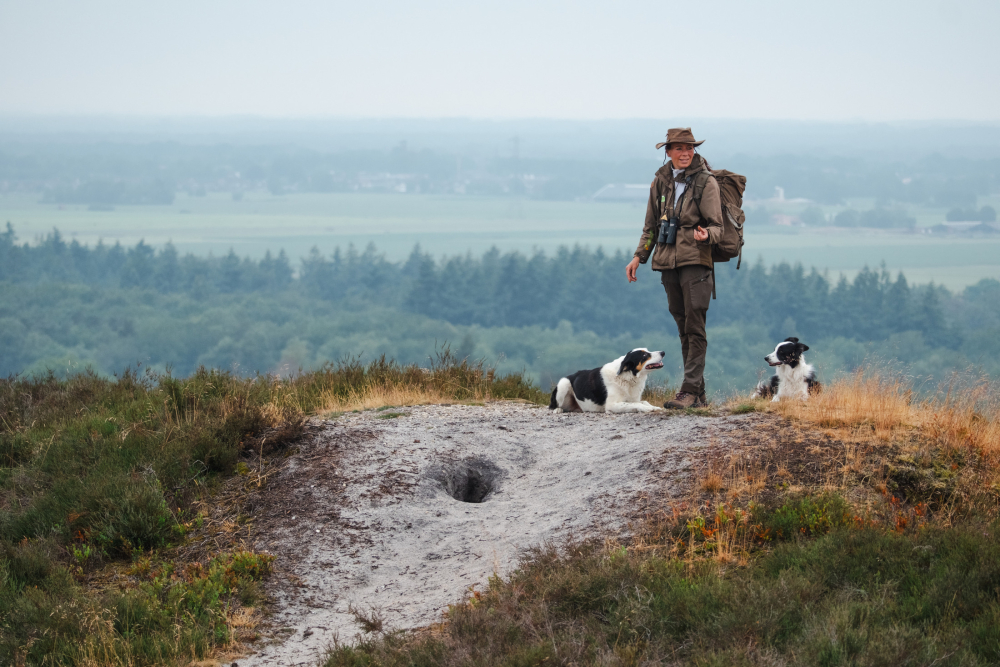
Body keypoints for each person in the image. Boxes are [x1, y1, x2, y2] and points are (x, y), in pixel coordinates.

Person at [625, 128, 723, 409]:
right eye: (679, 148)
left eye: (689, 148)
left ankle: (689, 391)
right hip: (667, 261)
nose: (685, 153)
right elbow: (651, 226)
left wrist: (707, 235)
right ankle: (698, 396)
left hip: (696, 262)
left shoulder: (706, 182)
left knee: (695, 327)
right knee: (683, 327)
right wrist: (639, 256)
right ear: (667, 152)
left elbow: (718, 227)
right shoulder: (661, 181)